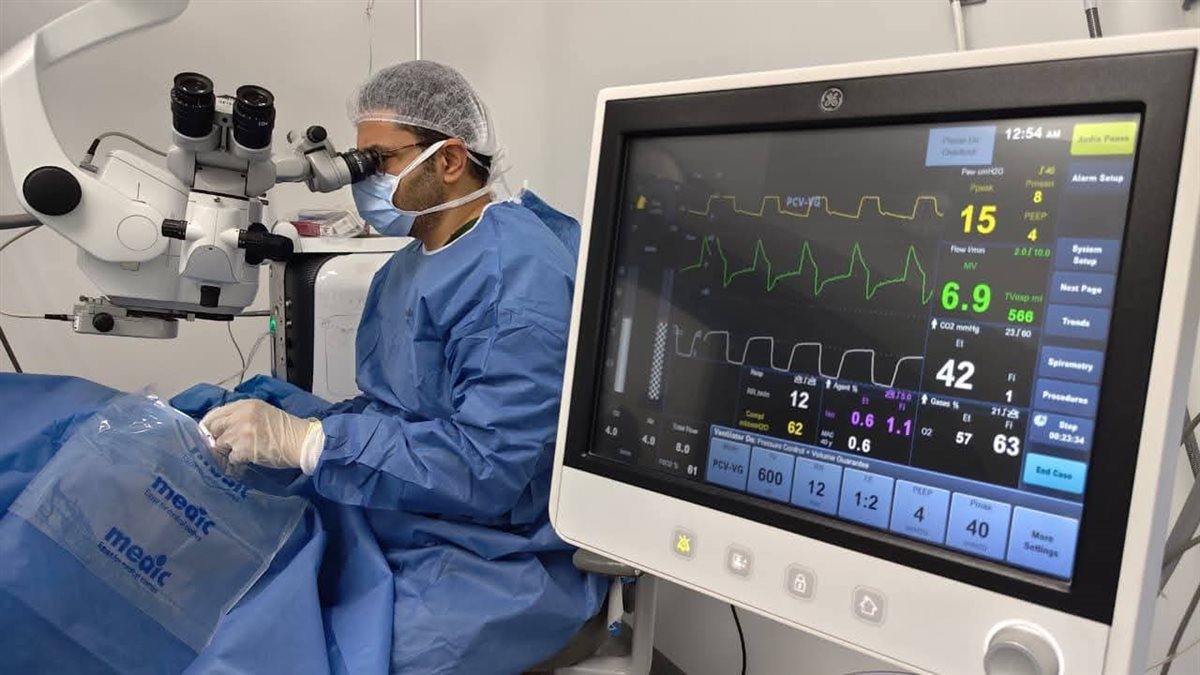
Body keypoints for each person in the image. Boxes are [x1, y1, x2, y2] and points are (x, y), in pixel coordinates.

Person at [200, 61, 603, 674]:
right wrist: (295, 433)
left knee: (326, 651)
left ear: (449, 160)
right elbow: (395, 405)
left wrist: (312, 444)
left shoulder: (516, 281)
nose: (363, 181)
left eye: (379, 161)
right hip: (418, 502)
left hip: (503, 550)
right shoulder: (410, 264)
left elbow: (488, 468)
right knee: (236, 536)